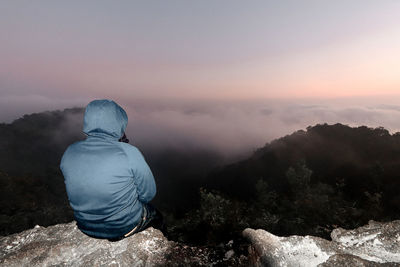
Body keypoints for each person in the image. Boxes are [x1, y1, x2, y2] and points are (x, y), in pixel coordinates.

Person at [60, 99, 164, 241]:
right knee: (157, 216)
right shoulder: (129, 152)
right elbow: (148, 194)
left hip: (86, 227)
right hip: (123, 227)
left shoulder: (70, 151)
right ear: (118, 123)